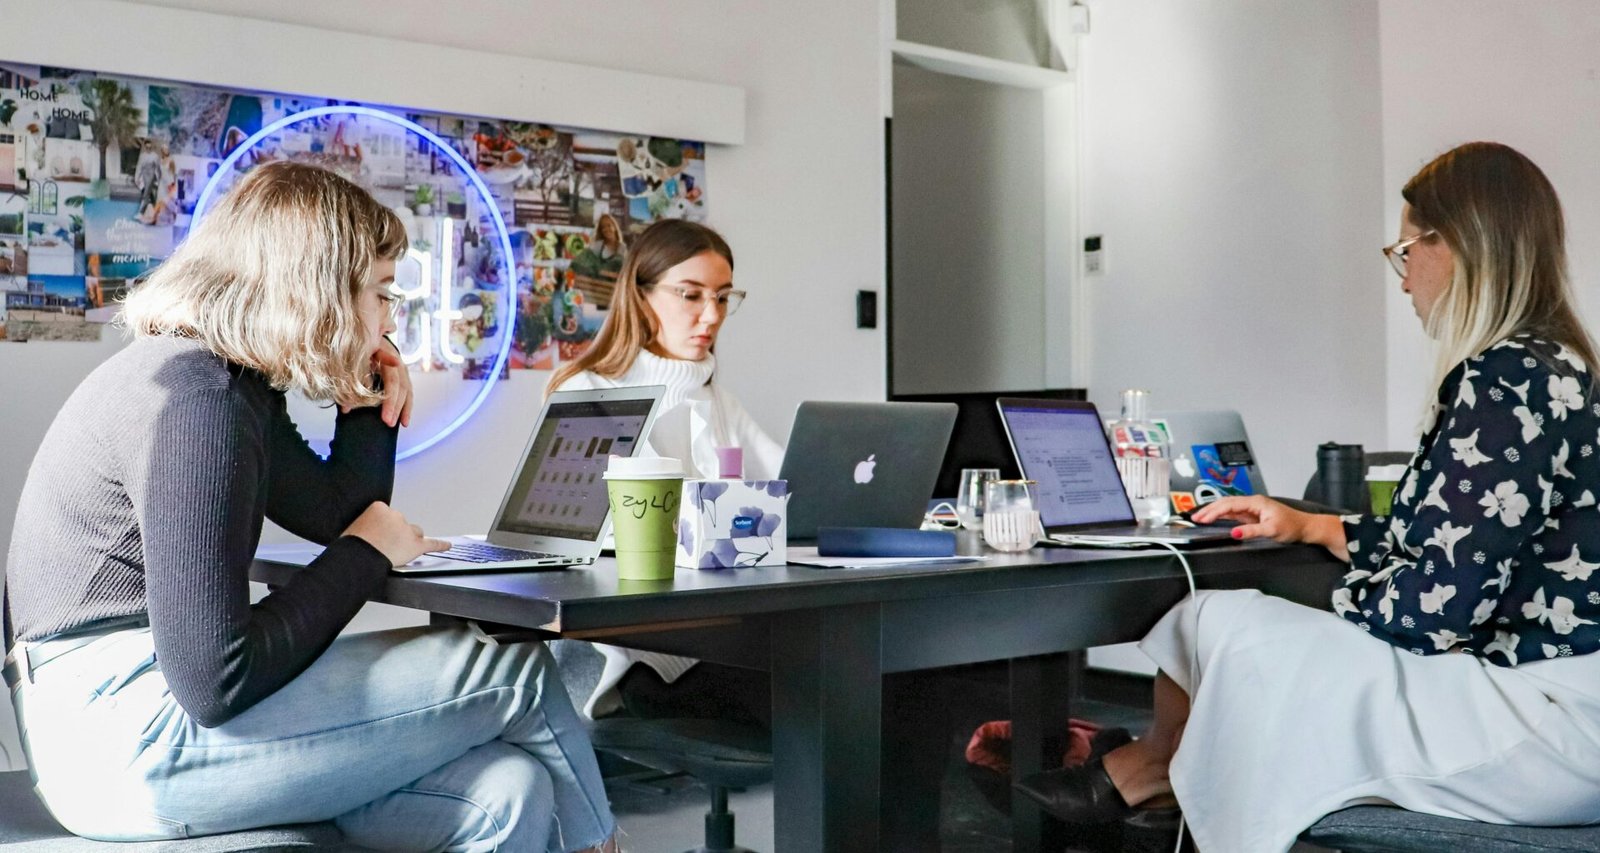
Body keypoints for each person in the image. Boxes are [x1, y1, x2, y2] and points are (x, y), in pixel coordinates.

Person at [3, 162, 618, 853]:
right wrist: (366, 553)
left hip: (125, 728)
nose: (391, 317)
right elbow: (216, 678)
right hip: (122, 738)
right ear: (321, 290)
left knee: (508, 788)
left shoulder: (223, 381)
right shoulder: (198, 401)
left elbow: (335, 510)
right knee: (515, 667)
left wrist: (366, 398)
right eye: (381, 294)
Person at [1015, 141, 1600, 851]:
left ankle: (1149, 770)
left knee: (1226, 624)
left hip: (1537, 724)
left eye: (1405, 250)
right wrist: (1311, 526)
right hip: (1559, 701)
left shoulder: (1501, 380)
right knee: (1222, 624)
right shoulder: (1555, 366)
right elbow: (1453, 538)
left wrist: (1323, 603)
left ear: (1457, 245)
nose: (1404, 279)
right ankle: (1154, 770)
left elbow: (1429, 613)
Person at [546, 217, 781, 724]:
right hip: (643, 650)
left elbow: (789, 486)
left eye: (722, 297)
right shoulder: (586, 392)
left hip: (725, 627)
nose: (711, 314)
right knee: (848, 683)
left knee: (889, 674)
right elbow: (603, 538)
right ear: (641, 295)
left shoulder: (716, 398)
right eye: (691, 295)